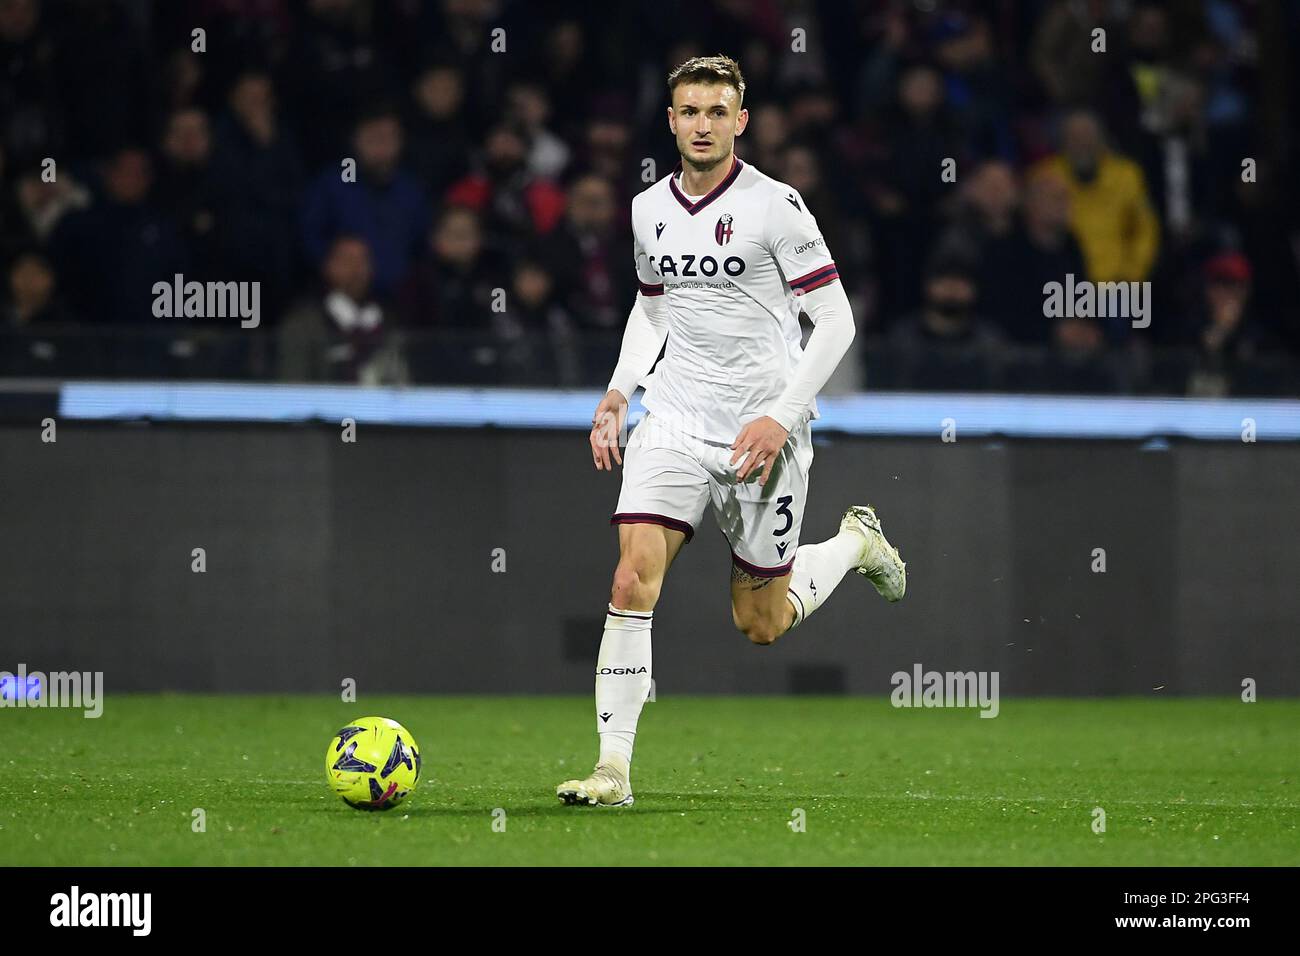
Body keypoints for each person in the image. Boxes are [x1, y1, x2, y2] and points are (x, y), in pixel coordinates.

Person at [556, 56, 907, 808]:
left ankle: (854, 542)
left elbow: (836, 320)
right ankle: (613, 770)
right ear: (672, 121)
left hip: (762, 436)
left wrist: (781, 413)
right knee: (629, 577)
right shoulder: (647, 208)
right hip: (675, 418)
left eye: (718, 111)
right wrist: (620, 391)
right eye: (689, 111)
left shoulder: (776, 206)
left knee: (761, 621)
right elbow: (653, 308)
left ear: (740, 121)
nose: (703, 124)